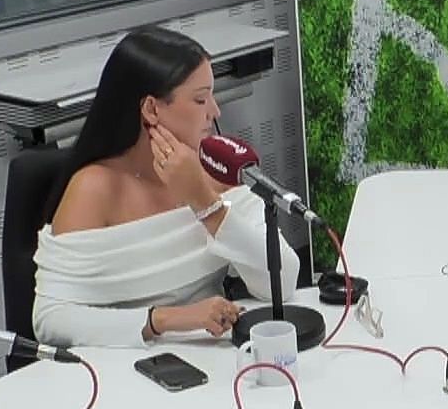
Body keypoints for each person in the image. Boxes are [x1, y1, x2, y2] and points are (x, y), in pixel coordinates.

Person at [33, 26, 299, 347]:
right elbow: (49, 318)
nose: (215, 111)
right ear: (151, 109)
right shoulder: (95, 188)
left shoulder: (217, 170)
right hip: (123, 362)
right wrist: (163, 320)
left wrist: (205, 203)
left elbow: (282, 283)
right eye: (200, 99)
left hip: (212, 353)